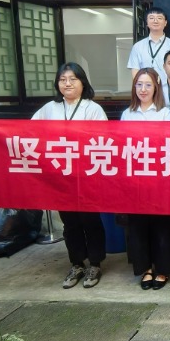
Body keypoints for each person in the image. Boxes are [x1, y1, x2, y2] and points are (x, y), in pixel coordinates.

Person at [31, 63, 107, 289]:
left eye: (73, 79)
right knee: (69, 222)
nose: (67, 84)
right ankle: (77, 263)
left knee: (90, 220)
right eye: (63, 79)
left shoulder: (92, 109)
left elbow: (103, 139)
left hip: (87, 175)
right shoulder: (49, 108)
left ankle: (95, 264)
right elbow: (27, 130)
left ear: (83, 82)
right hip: (61, 176)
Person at [121, 69, 170, 290]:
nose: (143, 89)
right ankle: (145, 269)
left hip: (160, 176)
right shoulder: (127, 114)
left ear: (156, 88)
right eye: (139, 85)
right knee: (138, 225)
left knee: (161, 225)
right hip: (135, 177)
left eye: (148, 85)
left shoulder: (166, 113)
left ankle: (162, 269)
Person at [127, 6, 170, 84]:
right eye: (151, 18)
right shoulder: (137, 46)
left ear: (165, 23)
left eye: (159, 18)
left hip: (167, 88)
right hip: (146, 89)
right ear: (147, 22)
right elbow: (135, 71)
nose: (155, 21)